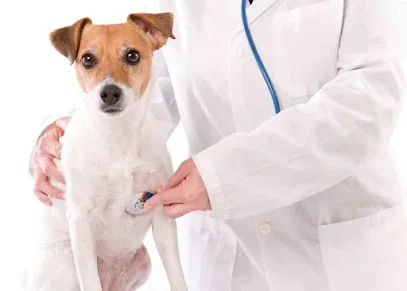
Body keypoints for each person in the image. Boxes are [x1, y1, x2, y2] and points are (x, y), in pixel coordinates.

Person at [30, 0, 407, 290]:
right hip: (226, 258)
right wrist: (72, 136)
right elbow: (150, 87)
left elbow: (370, 99)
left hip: (339, 252)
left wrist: (224, 175)